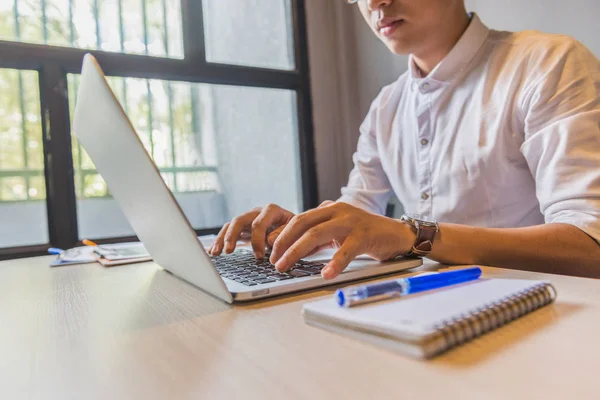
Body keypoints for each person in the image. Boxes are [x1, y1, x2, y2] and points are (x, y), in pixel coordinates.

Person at [210, 0, 600, 278]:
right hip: (425, 309)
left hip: (542, 315)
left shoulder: (548, 64)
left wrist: (414, 236)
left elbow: (591, 245)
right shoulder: (387, 107)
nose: (375, 3)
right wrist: (303, 230)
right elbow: (357, 212)